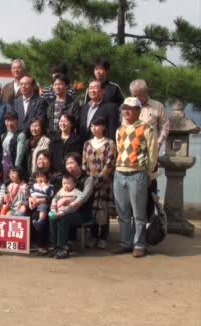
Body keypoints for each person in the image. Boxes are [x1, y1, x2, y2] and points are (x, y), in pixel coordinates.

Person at [113, 97, 157, 258]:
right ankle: (126, 242)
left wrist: (149, 173)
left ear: (138, 110)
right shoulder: (120, 130)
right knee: (123, 212)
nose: (126, 111)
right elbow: (119, 150)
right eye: (124, 108)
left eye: (130, 108)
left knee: (138, 212)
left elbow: (152, 153)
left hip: (137, 173)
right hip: (119, 173)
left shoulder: (146, 129)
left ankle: (139, 244)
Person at [48, 153, 94, 259]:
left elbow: (84, 198)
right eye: (67, 163)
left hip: (82, 213)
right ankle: (54, 246)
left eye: (72, 163)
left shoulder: (88, 179)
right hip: (65, 210)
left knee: (62, 218)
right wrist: (56, 204)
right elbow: (58, 195)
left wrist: (67, 200)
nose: (69, 166)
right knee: (52, 217)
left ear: (79, 163)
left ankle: (62, 248)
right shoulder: (66, 179)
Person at [82, 117, 116, 249]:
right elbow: (84, 163)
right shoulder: (87, 144)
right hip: (89, 182)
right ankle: (93, 235)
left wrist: (100, 178)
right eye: (92, 125)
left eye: (97, 125)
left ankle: (103, 237)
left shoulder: (110, 143)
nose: (94, 128)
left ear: (103, 127)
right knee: (92, 209)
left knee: (103, 209)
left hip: (104, 183)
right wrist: (88, 179)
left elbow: (110, 163)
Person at [1, 111, 26, 181]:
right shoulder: (3, 135)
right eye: (7, 121)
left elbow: (19, 155)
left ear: (17, 121)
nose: (9, 123)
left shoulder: (21, 135)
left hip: (14, 168)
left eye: (12, 120)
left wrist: (15, 171)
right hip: (5, 166)